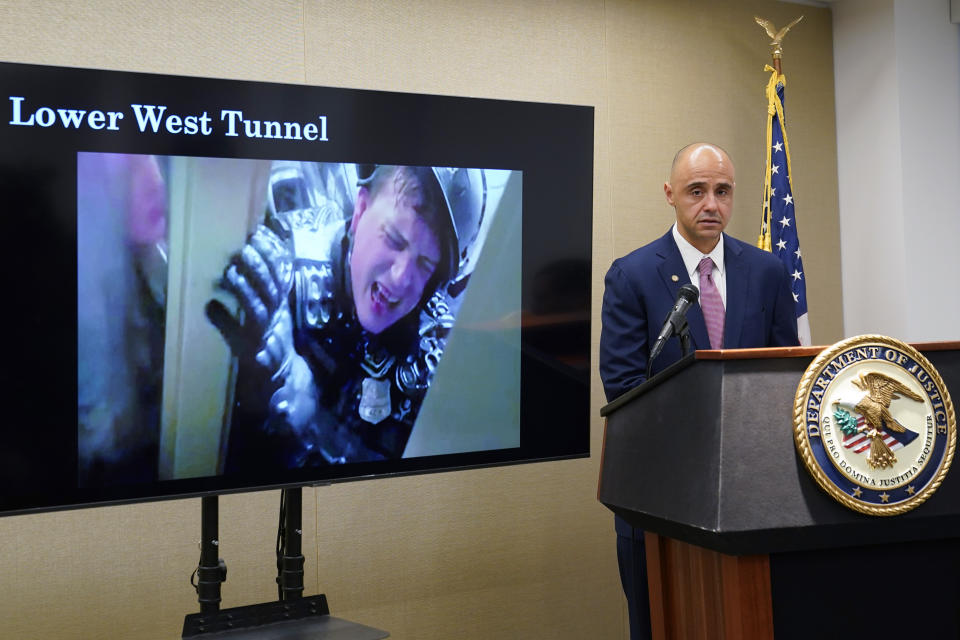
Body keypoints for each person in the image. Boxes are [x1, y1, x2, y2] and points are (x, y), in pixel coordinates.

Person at [598, 142, 799, 639]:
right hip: (661, 497)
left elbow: (784, 377)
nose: (712, 205)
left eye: (723, 191)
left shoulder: (768, 272)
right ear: (670, 194)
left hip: (750, 497)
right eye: (697, 191)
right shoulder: (633, 276)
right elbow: (625, 390)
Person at [207, 163, 485, 470]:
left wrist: (310, 413)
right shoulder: (282, 269)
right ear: (361, 210)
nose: (400, 278)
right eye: (393, 239)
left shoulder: (432, 348)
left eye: (424, 263)